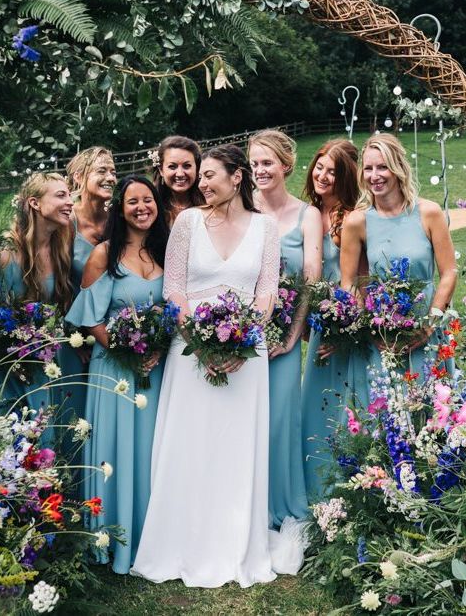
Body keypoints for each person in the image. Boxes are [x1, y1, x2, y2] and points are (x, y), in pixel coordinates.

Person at [132, 144, 304, 588]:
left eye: (210, 175)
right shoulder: (188, 222)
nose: (202, 183)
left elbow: (267, 290)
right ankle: (182, 541)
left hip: (247, 356)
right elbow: (174, 290)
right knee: (191, 445)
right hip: (190, 354)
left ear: (237, 177)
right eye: (201, 176)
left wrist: (243, 338)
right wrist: (203, 345)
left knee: (236, 448)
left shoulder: (265, 228)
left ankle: (234, 542)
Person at [65, 175, 169, 575]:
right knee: (117, 451)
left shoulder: (165, 252)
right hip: (115, 371)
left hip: (154, 371)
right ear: (120, 209)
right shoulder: (104, 255)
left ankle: (151, 534)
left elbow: (172, 309)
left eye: (148, 200)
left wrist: (155, 347)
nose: (141, 207)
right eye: (132, 201)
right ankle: (112, 538)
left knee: (150, 451)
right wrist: (126, 349)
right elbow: (90, 319)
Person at [340, 133, 457, 385]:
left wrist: (429, 325)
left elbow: (449, 272)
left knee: (432, 410)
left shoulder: (429, 213)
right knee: (386, 411)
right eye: (368, 168)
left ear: (398, 169)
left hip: (426, 325)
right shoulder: (356, 222)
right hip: (381, 336)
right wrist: (372, 329)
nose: (375, 176)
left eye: (382, 167)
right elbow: (349, 282)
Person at [248, 129, 321, 528]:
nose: (260, 170)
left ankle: (279, 504)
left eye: (267, 163)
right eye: (255, 163)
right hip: (241, 334)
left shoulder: (308, 215)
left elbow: (310, 278)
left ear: (286, 166)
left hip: (284, 333)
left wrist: (294, 334)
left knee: (278, 420)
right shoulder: (243, 210)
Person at [0, 172, 73, 414]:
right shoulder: (2, 252)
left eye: (69, 195)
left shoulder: (58, 248)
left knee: (38, 435)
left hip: (31, 358)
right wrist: (11, 354)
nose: (70, 202)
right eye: (61, 195)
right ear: (34, 203)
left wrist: (33, 350)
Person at [299, 139, 366, 502]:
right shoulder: (308, 212)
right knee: (312, 406)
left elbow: (358, 280)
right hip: (316, 322)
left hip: (342, 327)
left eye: (333, 171)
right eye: (320, 167)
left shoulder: (350, 217)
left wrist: (344, 330)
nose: (323, 176)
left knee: (341, 407)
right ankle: (312, 492)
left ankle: (339, 493)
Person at [58, 147, 117, 447]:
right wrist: (72, 336)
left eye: (112, 171)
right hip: (70, 337)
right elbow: (53, 284)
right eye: (101, 171)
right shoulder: (66, 224)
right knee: (73, 414)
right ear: (79, 177)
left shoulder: (117, 221)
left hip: (108, 332)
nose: (110, 177)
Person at [150, 135, 203, 227]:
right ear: (161, 170)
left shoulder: (210, 203)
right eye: (172, 166)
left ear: (197, 168)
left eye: (187, 166)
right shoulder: (152, 205)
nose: (180, 174)